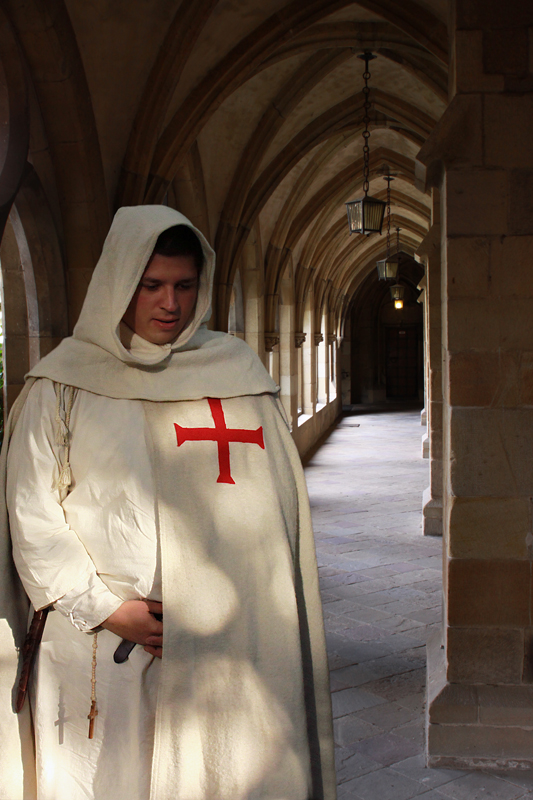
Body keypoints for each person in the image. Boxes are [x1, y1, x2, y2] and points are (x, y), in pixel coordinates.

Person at [0, 205, 335, 800]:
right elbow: (32, 513)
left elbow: (274, 516)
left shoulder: (236, 374)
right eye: (151, 285)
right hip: (98, 646)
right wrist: (106, 607)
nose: (170, 304)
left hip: (224, 643)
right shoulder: (62, 384)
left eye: (184, 286)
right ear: (117, 282)